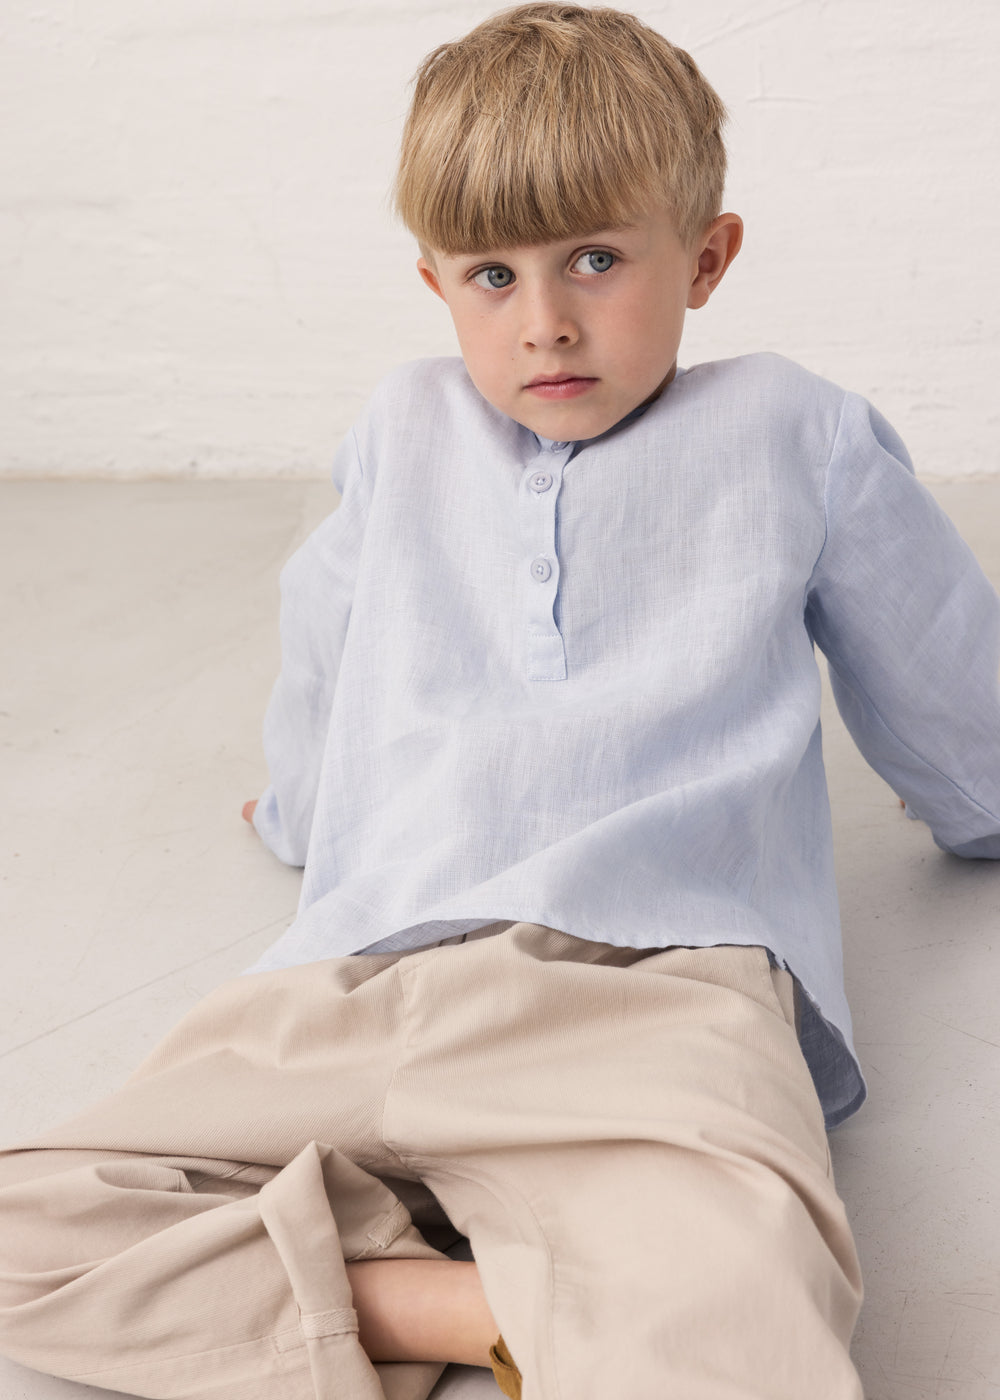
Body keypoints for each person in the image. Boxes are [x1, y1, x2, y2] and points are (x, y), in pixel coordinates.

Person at [2, 4, 999, 1398]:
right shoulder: (402, 430)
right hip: (359, 976)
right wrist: (297, 813)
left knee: (752, 1332)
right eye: (491, 275)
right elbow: (330, 651)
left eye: (597, 259)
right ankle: (477, 1305)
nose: (545, 323)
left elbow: (960, 694)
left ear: (706, 257)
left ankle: (369, 1261)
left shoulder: (794, 429)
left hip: (656, 998)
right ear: (435, 286)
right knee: (20, 1239)